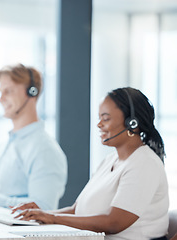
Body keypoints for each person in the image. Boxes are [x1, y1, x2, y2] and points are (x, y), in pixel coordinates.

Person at [13, 87, 169, 240]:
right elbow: (76, 210)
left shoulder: (144, 164)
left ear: (132, 123)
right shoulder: (110, 160)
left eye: (106, 118)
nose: (99, 124)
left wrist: (53, 218)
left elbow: (114, 223)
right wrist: (38, 215)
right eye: (99, 118)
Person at [0, 63, 68, 210]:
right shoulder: (4, 146)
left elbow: (43, 207)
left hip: (18, 232)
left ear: (32, 92)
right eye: (1, 91)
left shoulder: (44, 149)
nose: (1, 99)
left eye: (8, 91)